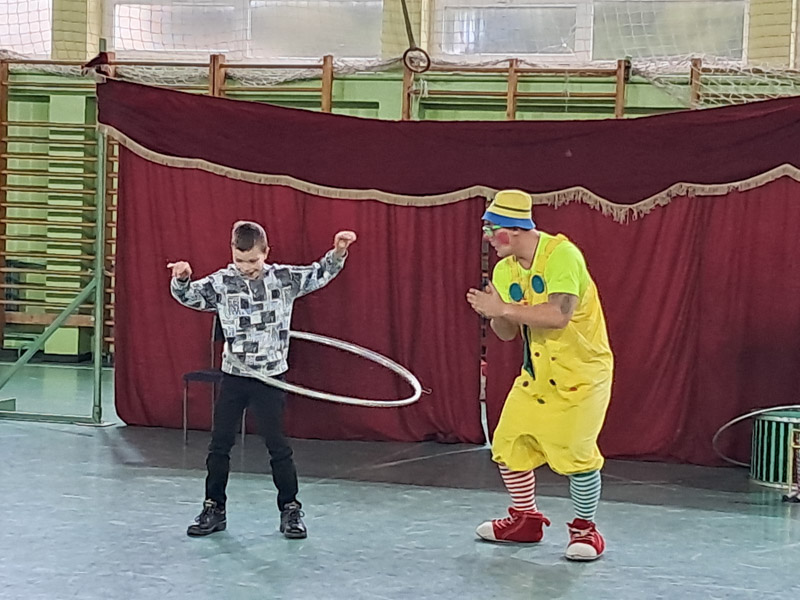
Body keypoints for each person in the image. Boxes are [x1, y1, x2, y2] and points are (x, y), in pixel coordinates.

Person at [168, 221, 357, 539]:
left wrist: (338, 251)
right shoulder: (221, 282)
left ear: (266, 252)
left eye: (253, 260)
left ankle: (290, 510)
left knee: (277, 446)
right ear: (232, 253)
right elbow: (189, 297)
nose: (246, 267)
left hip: (270, 378)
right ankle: (214, 508)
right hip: (234, 376)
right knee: (219, 446)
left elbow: (319, 273)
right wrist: (182, 278)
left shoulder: (283, 278)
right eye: (240, 260)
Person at [466, 190, 613, 561]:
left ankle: (586, 530)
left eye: (492, 229)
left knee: (576, 453)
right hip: (537, 377)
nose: (487, 237)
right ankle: (525, 520)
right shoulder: (504, 270)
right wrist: (494, 313)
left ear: (514, 229)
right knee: (508, 444)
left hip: (581, 374)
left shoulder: (563, 255)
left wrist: (504, 308)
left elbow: (558, 315)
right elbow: (507, 333)